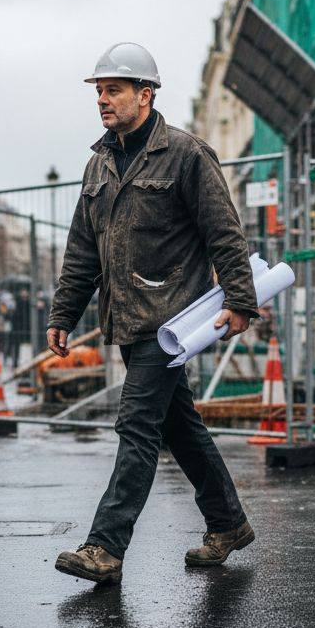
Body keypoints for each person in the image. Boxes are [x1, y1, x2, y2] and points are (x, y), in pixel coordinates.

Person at [50, 43, 258, 584]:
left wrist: (239, 298)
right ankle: (228, 523)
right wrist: (62, 316)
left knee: (137, 425)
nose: (103, 100)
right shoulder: (98, 163)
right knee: (180, 428)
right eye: (99, 91)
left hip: (170, 323)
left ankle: (105, 546)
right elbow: (81, 250)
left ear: (146, 94)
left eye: (113, 90)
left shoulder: (187, 154)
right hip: (127, 320)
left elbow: (224, 231)